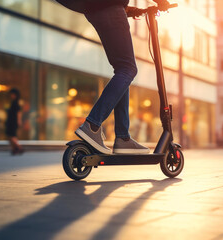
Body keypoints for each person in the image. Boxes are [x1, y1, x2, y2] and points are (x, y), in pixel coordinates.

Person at [57, 0, 152, 154]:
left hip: (93, 9)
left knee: (122, 70)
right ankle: (93, 125)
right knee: (128, 69)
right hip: (109, 7)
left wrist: (125, 8)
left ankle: (123, 138)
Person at [6, 88, 24, 155]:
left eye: (12, 94)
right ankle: (14, 149)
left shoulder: (16, 103)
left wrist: (19, 121)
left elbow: (18, 113)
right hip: (11, 121)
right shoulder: (13, 102)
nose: (11, 95)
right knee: (10, 136)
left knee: (12, 136)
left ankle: (19, 148)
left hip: (13, 122)